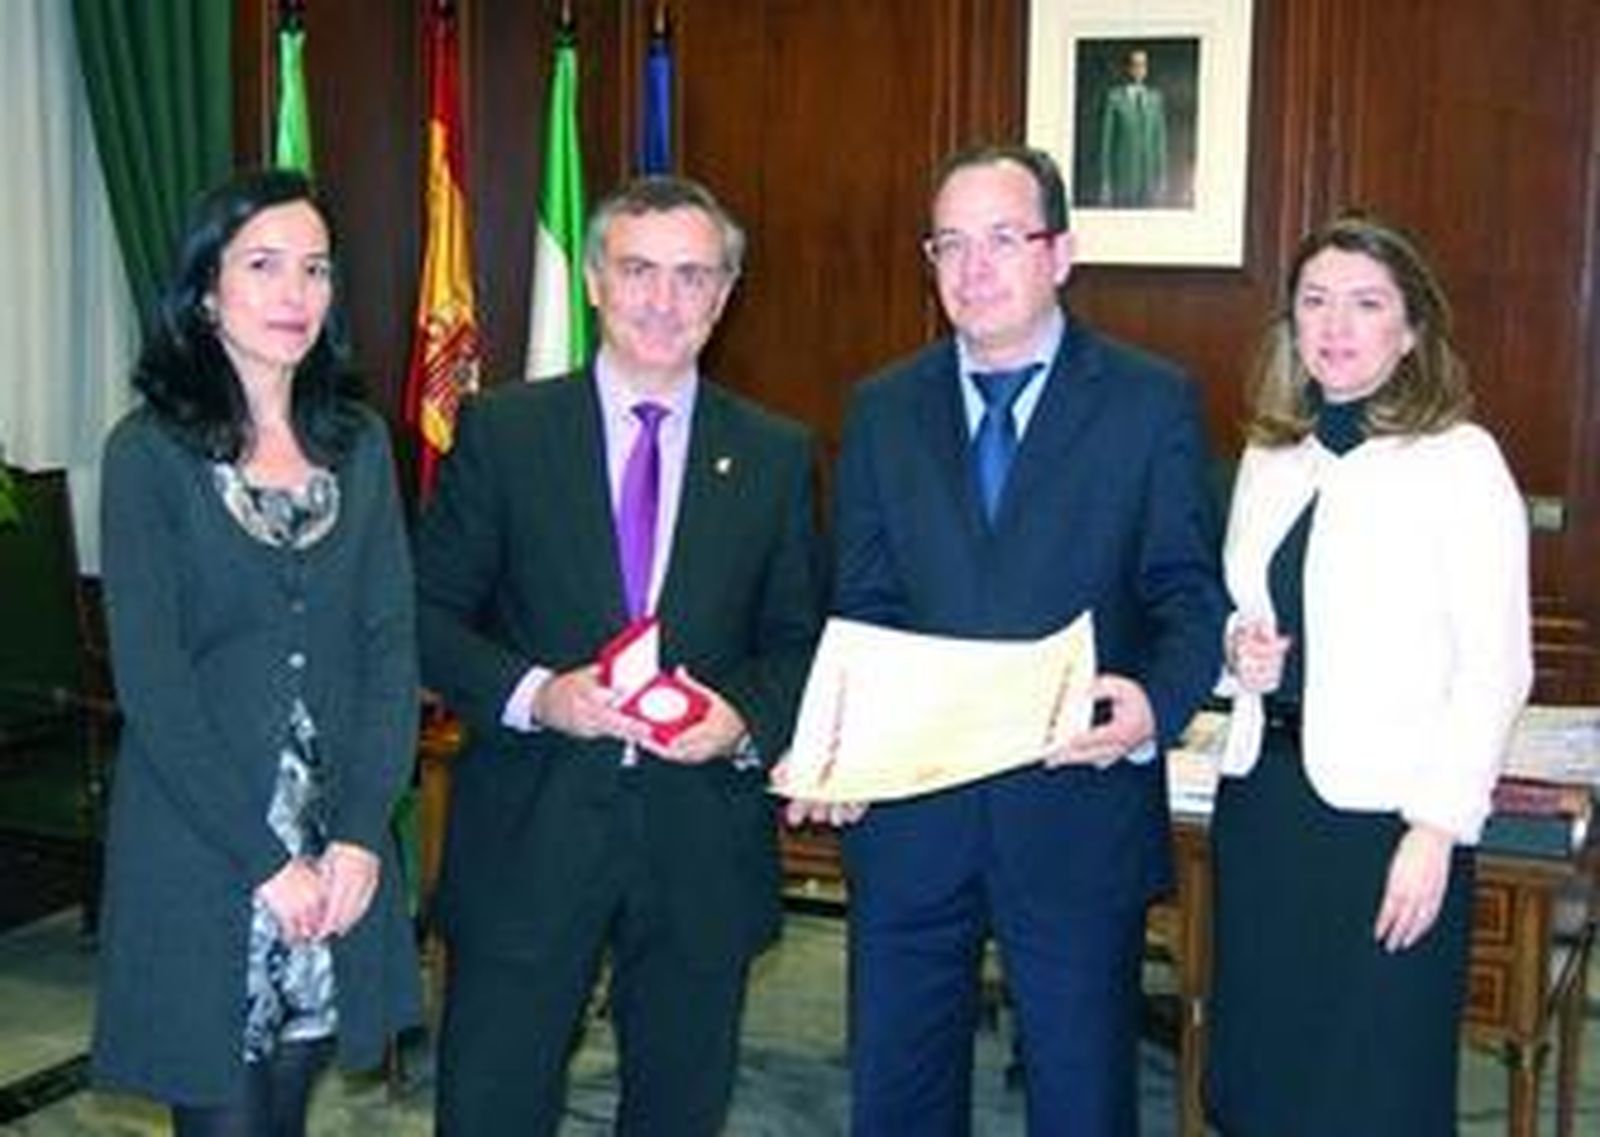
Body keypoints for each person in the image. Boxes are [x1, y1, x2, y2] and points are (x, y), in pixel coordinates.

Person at [787, 144, 1227, 1135]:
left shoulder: (1148, 402)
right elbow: (862, 603)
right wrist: (842, 747)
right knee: (897, 1102)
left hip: (1073, 814)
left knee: (1079, 1104)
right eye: (949, 243)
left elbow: (1187, 596)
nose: (972, 269)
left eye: (1003, 240)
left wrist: (1154, 703)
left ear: (1061, 253)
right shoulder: (882, 407)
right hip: (911, 820)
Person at [417, 175, 824, 1136]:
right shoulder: (504, 433)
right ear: (596, 280)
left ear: (724, 296)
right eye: (638, 270)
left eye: (693, 276)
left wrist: (742, 722)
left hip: (700, 847)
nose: (663, 300)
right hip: (530, 832)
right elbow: (425, 616)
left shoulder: (773, 452)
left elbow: (803, 641)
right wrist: (537, 694)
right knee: (488, 1111)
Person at [91, 169, 422, 1135]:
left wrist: (363, 831)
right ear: (205, 290)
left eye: (314, 269)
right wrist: (264, 861)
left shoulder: (359, 448)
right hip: (209, 859)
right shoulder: (147, 454)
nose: (295, 294)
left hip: (338, 866)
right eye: (264, 265)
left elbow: (389, 649)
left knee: (287, 1109)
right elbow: (152, 681)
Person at [1205, 214, 1532, 1135]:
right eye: (1314, 302)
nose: (1335, 325)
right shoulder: (1273, 457)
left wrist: (1438, 829)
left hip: (1387, 827)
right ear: (1291, 324)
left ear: (1412, 329)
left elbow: (1495, 668)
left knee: (1373, 1087)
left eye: (1365, 303)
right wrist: (1242, 652)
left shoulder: (1461, 463)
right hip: (1267, 809)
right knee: (1262, 1081)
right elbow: (1249, 607)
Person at [1098, 47, 1168, 208]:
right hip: (1123, 179)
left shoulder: (1155, 99)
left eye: (1143, 65)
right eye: (1135, 65)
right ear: (1128, 68)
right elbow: (1106, 143)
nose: (1139, 69)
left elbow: (1160, 142)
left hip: (1149, 181)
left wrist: (1162, 179)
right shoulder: (1114, 98)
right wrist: (1106, 182)